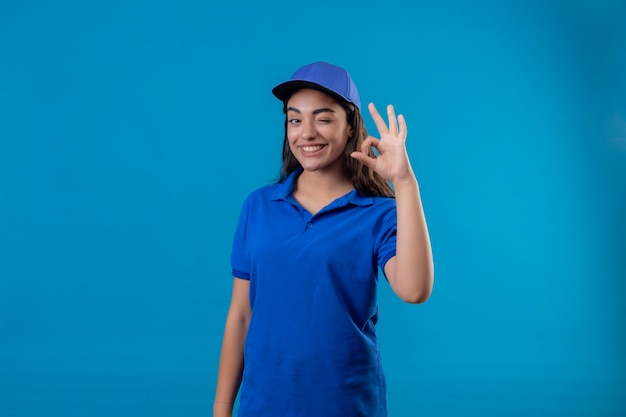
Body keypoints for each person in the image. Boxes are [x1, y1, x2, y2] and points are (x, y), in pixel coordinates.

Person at [213, 61, 434, 417]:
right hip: (264, 406)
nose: (307, 132)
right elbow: (241, 314)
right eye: (295, 119)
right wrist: (222, 409)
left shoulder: (380, 214)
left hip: (347, 406)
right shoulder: (258, 206)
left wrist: (405, 184)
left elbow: (414, 290)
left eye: (324, 118)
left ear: (350, 127)